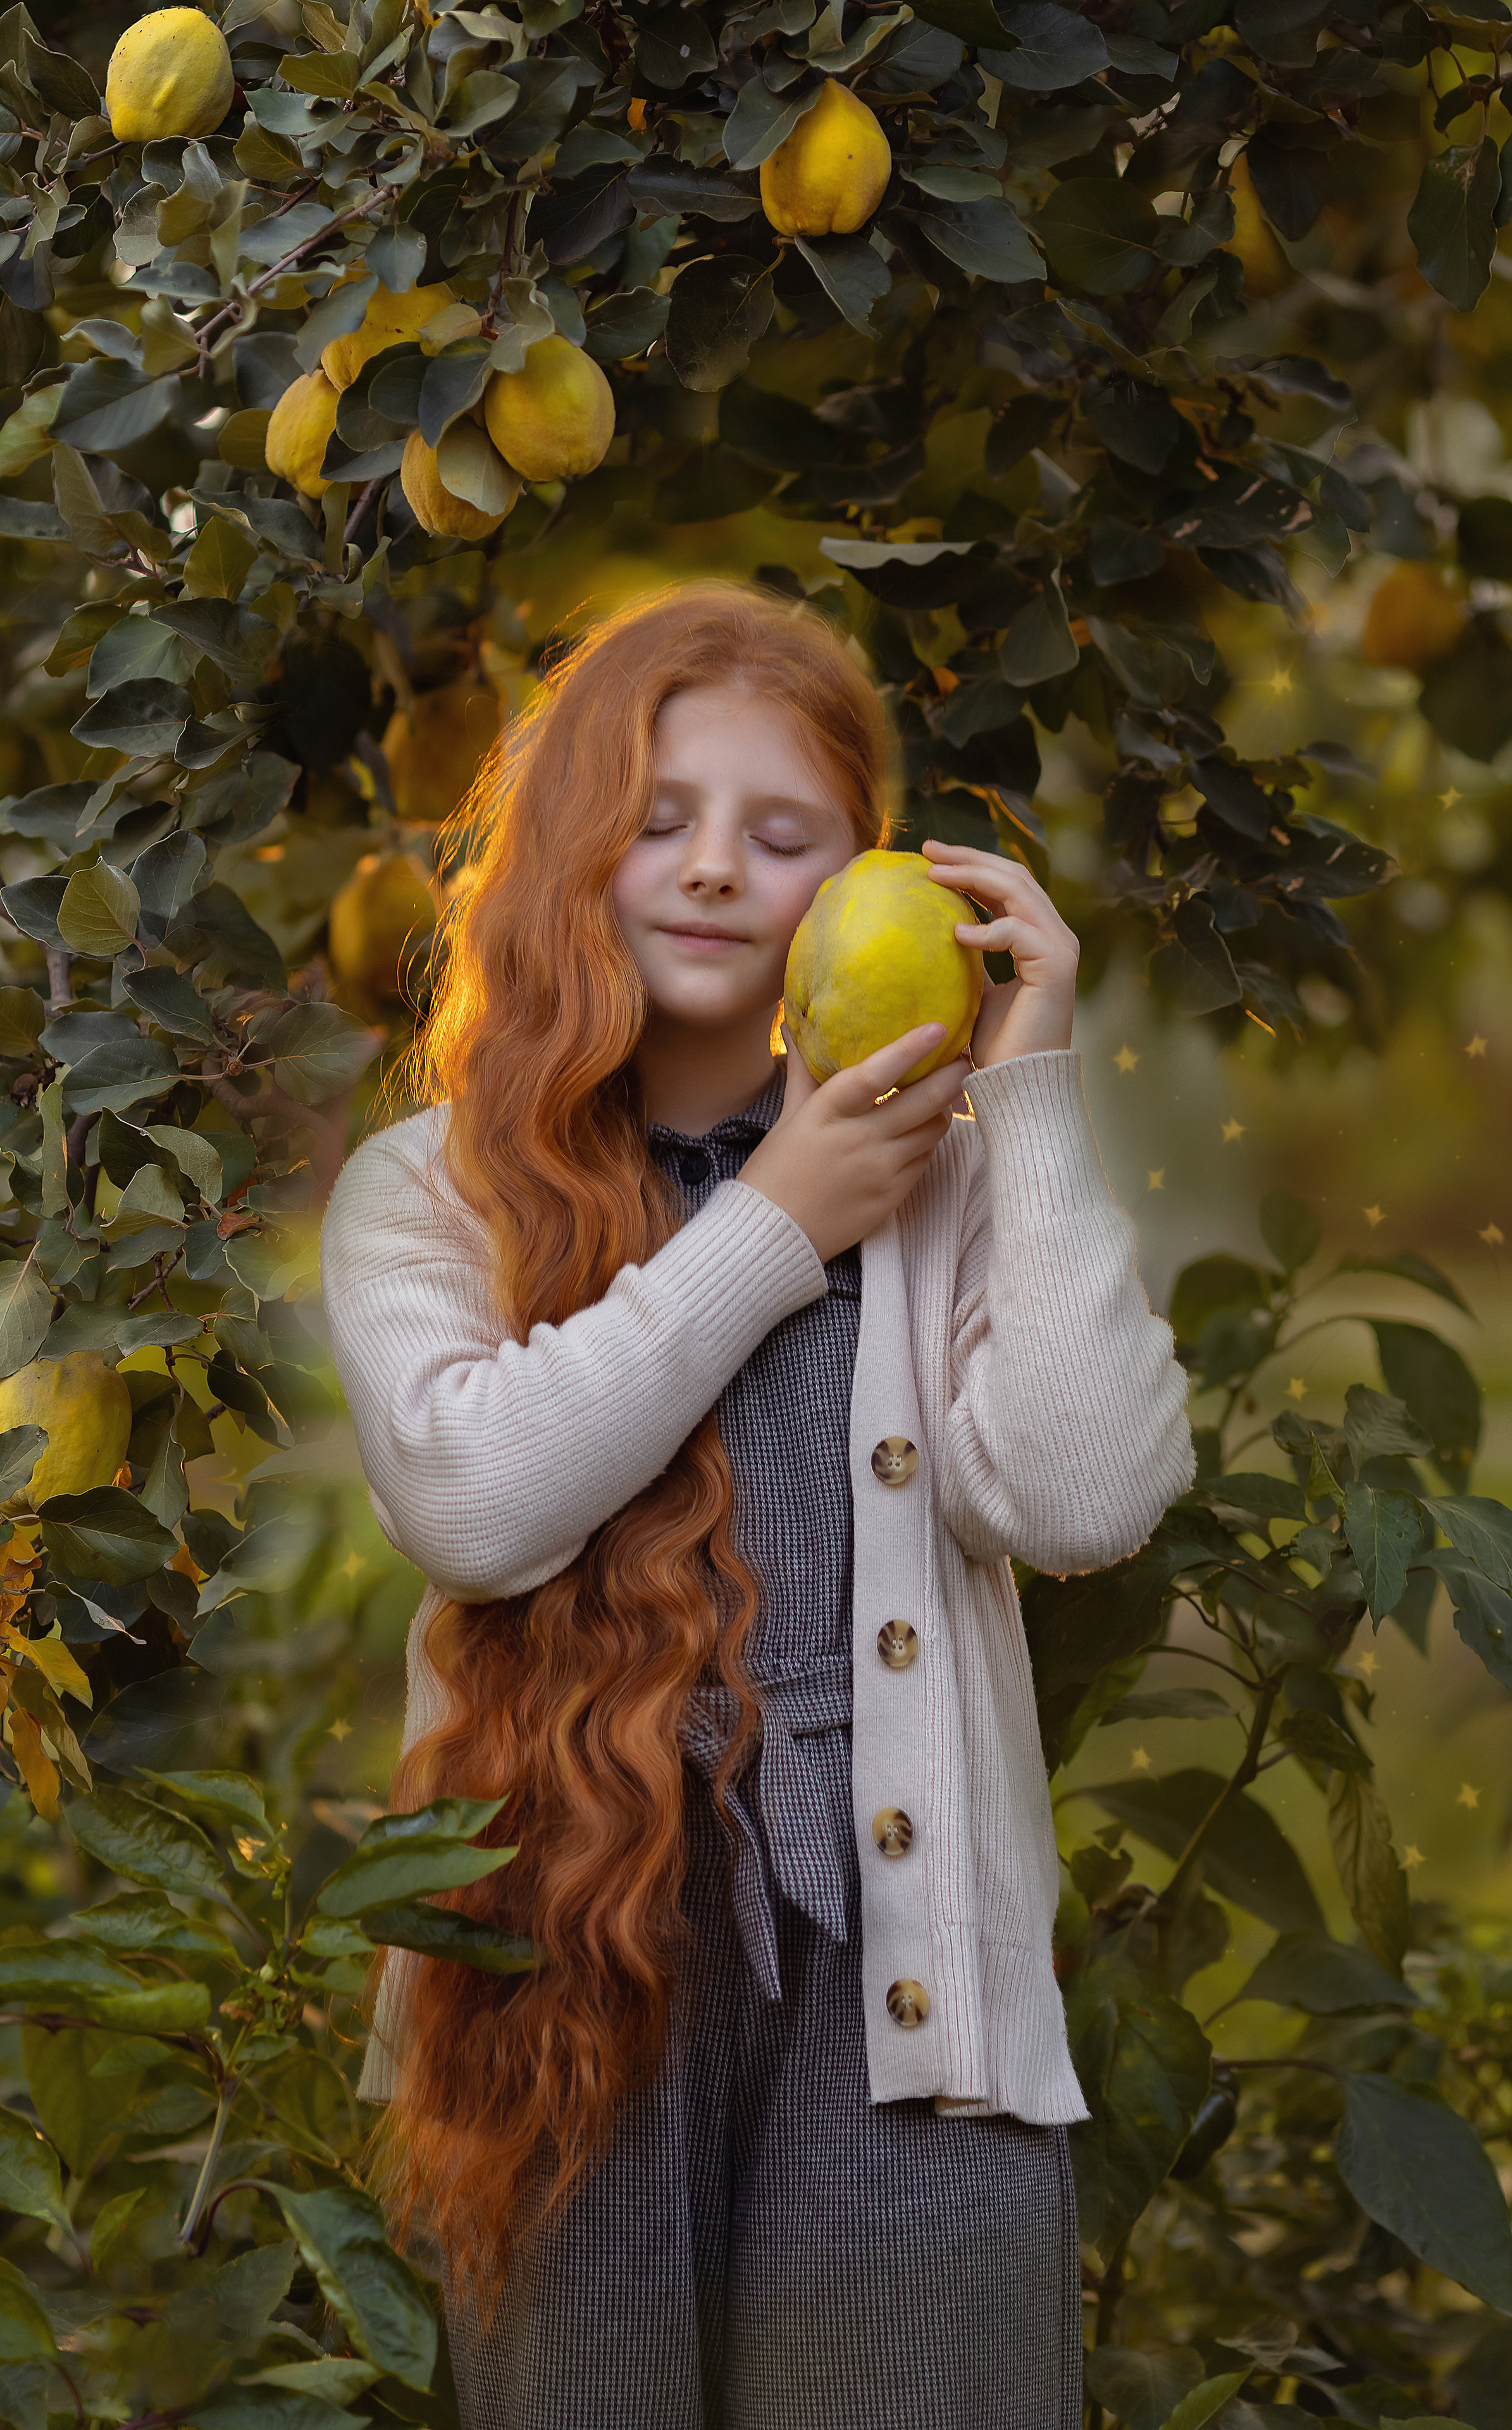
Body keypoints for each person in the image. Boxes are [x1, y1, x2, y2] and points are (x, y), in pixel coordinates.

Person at [319, 581, 1195, 2430]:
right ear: (570, 857)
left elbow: (1090, 1495)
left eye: (782, 835)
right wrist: (777, 1221)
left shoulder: (957, 1189)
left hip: (904, 1973)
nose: (715, 869)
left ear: (859, 888)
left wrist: (1023, 1091)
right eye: (659, 819)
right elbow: (477, 1507)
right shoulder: (434, 1194)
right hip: (565, 1958)